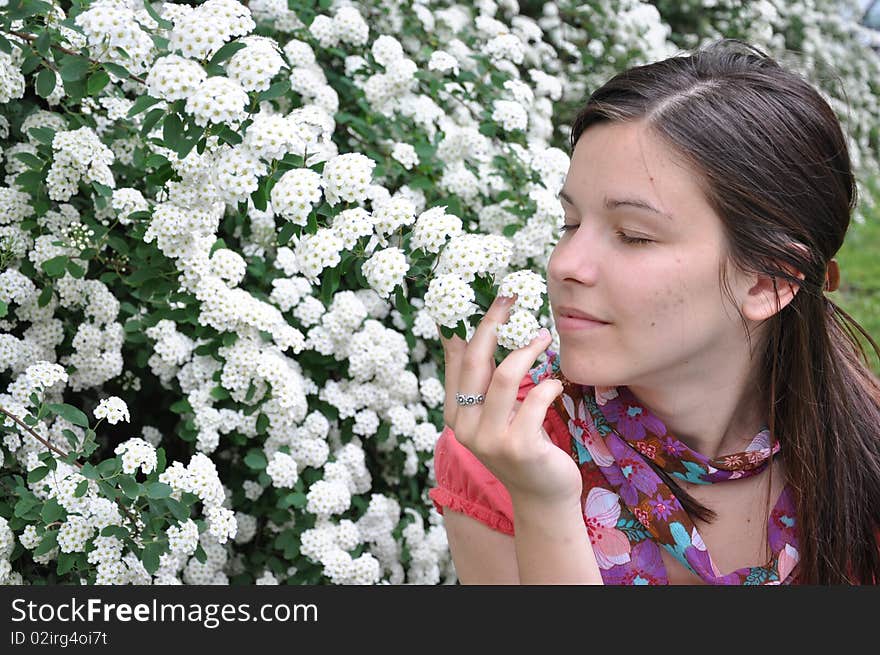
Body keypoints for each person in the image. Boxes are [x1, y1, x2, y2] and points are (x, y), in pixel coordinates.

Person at [429, 38, 880, 585]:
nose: (565, 264)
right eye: (570, 223)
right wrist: (543, 506)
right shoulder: (506, 454)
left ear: (768, 280)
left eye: (634, 236)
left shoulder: (859, 448)